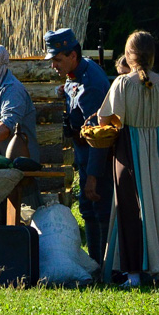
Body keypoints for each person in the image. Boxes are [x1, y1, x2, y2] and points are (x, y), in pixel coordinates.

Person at [98, 30, 159, 288]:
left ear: (128, 55)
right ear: (152, 56)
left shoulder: (123, 83)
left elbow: (106, 119)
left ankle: (133, 273)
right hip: (157, 150)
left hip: (129, 149)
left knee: (129, 209)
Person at [44, 27, 113, 267]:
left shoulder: (90, 84)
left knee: (98, 208)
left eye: (58, 59)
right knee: (89, 208)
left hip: (95, 156)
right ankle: (97, 264)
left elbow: (99, 137)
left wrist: (93, 176)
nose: (54, 65)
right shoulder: (77, 74)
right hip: (84, 153)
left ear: (73, 56)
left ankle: (103, 266)